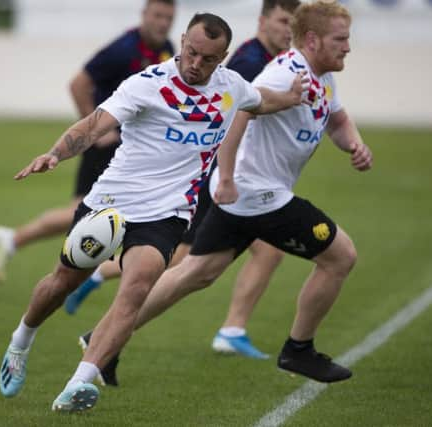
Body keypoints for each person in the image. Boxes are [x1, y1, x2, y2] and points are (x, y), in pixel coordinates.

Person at [0, 13, 308, 413]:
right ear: (183, 41)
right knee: (62, 282)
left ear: (223, 57)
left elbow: (261, 100)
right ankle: (21, 339)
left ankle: (79, 382)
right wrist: (56, 153)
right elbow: (94, 125)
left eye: (208, 59)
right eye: (191, 52)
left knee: (138, 286)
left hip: (167, 213)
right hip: (110, 203)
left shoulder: (232, 87)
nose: (196, 63)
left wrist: (292, 96)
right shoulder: (148, 84)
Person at [96, 0, 373, 385]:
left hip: (249, 193)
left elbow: (338, 118)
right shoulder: (284, 73)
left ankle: (101, 340)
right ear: (312, 40)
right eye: (340, 39)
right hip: (257, 193)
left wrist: (354, 145)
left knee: (194, 272)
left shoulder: (322, 74)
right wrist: (225, 176)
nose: (347, 47)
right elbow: (240, 110)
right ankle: (299, 350)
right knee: (340, 255)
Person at [66, 0, 300, 362]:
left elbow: (251, 104)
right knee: (185, 265)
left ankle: (107, 324)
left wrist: (289, 99)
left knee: (197, 266)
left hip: (222, 179)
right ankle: (107, 330)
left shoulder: (262, 61)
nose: (289, 31)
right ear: (263, 20)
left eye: (293, 24)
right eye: (284, 21)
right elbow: (233, 117)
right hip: (209, 180)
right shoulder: (249, 62)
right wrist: (225, 176)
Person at [0, 0, 176, 282]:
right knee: (83, 212)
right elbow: (78, 83)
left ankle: (23, 246)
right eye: (158, 15)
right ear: (144, 15)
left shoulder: (167, 50)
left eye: (168, 17)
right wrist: (98, 133)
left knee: (88, 211)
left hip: (132, 146)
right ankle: (39, 256)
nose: (163, 22)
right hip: (106, 145)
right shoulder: (123, 49)